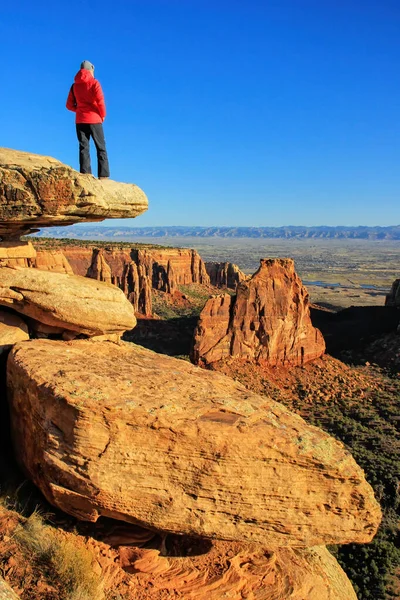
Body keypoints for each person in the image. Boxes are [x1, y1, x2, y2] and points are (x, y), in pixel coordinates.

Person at [66, 60, 110, 179]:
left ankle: (86, 174)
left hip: (80, 120)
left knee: (83, 147)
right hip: (95, 119)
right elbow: (100, 101)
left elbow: (69, 105)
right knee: (101, 147)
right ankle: (103, 176)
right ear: (91, 70)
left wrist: (80, 110)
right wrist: (103, 115)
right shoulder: (95, 83)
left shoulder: (74, 86)